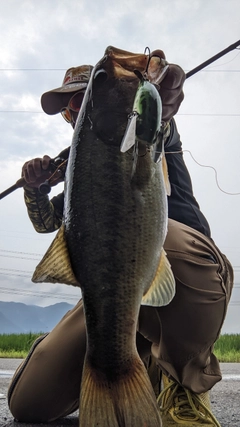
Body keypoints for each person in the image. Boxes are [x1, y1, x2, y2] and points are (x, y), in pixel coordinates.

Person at [8, 53, 233, 427]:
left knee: (171, 244)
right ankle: (136, 357)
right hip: (115, 296)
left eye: (84, 99)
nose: (76, 113)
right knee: (28, 404)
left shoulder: (149, 134)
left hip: (184, 274)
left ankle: (185, 386)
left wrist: (160, 99)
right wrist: (35, 190)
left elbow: (160, 119)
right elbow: (50, 224)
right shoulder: (81, 179)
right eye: (70, 110)